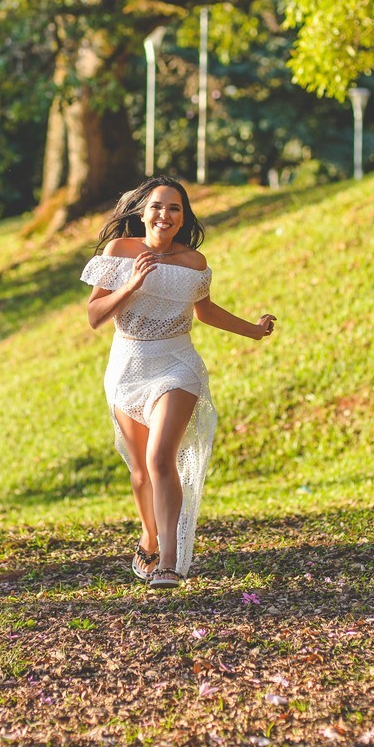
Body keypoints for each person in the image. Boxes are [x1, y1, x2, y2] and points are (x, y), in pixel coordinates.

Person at [81, 176, 275, 589]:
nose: (164, 215)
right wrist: (131, 284)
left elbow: (206, 312)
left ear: (183, 218)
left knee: (159, 457)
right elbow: (95, 315)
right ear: (142, 213)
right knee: (140, 471)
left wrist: (253, 331)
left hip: (176, 363)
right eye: (157, 206)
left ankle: (168, 562)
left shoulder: (194, 263)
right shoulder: (119, 252)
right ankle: (149, 537)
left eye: (174, 209)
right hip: (128, 367)